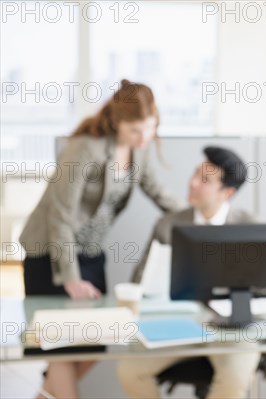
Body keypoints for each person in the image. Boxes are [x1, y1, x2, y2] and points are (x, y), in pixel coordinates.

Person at [19, 79, 183, 399]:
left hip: (91, 252)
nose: (143, 138)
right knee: (60, 344)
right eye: (135, 130)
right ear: (117, 121)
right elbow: (61, 215)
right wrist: (69, 278)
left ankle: (45, 392)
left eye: (149, 129)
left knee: (99, 337)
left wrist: (198, 223)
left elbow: (159, 194)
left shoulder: (138, 151)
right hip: (52, 253)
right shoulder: (85, 147)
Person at [117, 146, 261, 399]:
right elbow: (139, 281)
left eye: (205, 180)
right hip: (177, 327)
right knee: (129, 371)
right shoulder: (169, 224)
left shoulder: (248, 228)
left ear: (226, 192)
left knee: (235, 378)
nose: (192, 183)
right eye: (195, 174)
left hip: (230, 331)